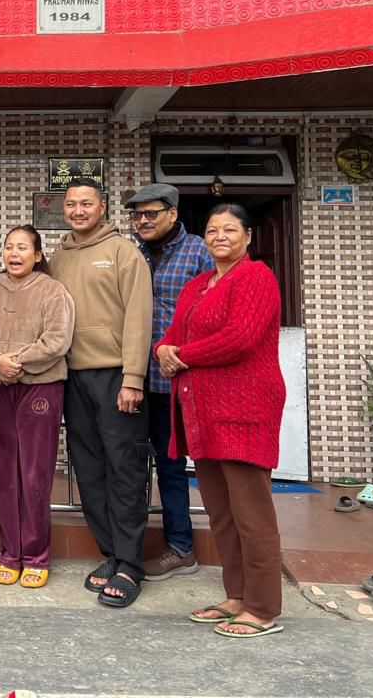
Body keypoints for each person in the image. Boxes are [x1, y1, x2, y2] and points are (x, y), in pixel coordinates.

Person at [156, 203, 286, 639]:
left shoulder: (257, 278)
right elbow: (173, 335)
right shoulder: (197, 285)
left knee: (252, 513)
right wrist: (162, 351)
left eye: (230, 229)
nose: (220, 236)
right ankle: (236, 596)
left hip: (245, 410)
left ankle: (263, 606)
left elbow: (240, 338)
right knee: (222, 513)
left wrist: (181, 357)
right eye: (212, 230)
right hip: (204, 413)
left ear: (248, 237)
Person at [46, 177, 153, 609]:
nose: (77, 210)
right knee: (87, 469)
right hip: (71, 376)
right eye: (71, 204)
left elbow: (139, 318)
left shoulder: (123, 252)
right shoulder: (58, 256)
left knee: (124, 468)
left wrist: (133, 378)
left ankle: (131, 564)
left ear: (103, 206)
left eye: (86, 203)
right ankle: (112, 552)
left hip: (115, 377)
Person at [0, 225, 74, 589]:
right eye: (9, 247)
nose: (14, 254)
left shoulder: (53, 291)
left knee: (34, 473)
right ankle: (11, 552)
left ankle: (37, 554)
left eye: (23, 247)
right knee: (3, 471)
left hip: (40, 387)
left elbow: (57, 340)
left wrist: (17, 363)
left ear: (38, 255)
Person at [126, 183, 214, 582]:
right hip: (131, 379)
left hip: (179, 382)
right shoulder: (132, 252)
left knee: (172, 466)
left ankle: (181, 547)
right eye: (137, 215)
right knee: (129, 467)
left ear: (173, 214)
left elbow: (212, 311)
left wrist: (183, 351)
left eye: (151, 213)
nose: (142, 221)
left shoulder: (198, 251)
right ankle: (125, 548)